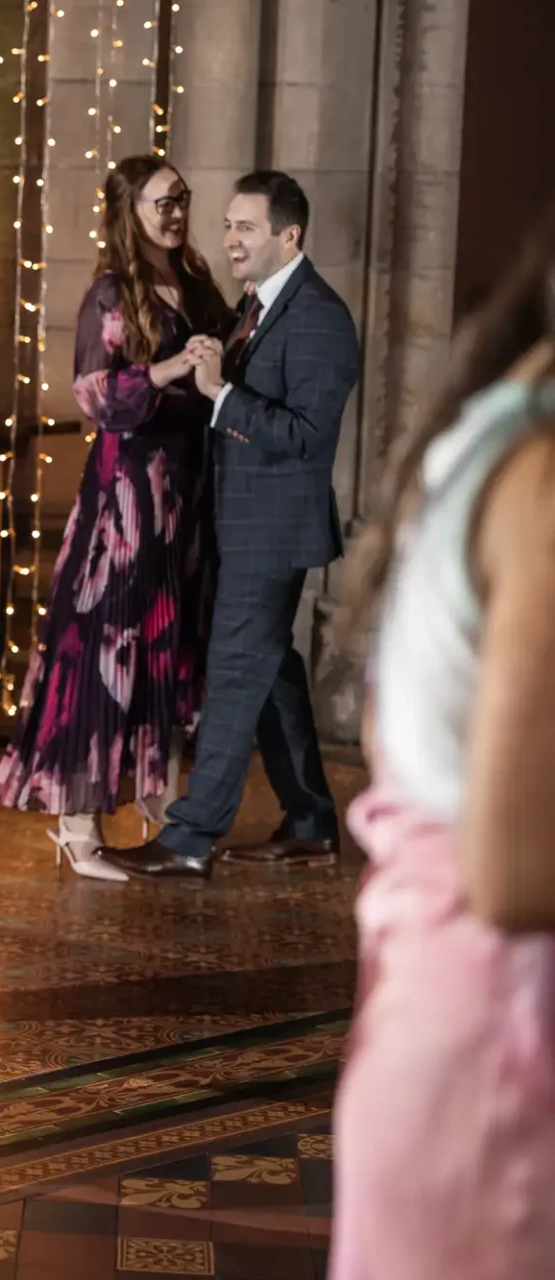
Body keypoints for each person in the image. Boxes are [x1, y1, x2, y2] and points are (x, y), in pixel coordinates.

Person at [328, 204, 555, 1280]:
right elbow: (513, 872)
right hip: (508, 1066)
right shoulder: (543, 480)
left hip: (439, 1021)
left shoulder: (493, 423)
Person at [102, 171, 359, 879]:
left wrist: (223, 394)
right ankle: (309, 820)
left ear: (289, 235)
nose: (229, 239)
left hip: (272, 530)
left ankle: (189, 836)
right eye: (227, 226)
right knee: (273, 670)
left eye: (246, 227)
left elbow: (308, 437)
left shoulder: (320, 318)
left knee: (236, 670)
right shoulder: (255, 305)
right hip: (236, 522)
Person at [0, 155, 231, 880]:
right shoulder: (110, 293)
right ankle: (79, 825)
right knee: (107, 648)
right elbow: (92, 395)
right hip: (127, 497)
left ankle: (163, 810)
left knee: (171, 647)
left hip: (185, 491)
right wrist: (168, 369)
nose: (176, 213)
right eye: (162, 202)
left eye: (183, 199)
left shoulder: (194, 283)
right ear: (129, 211)